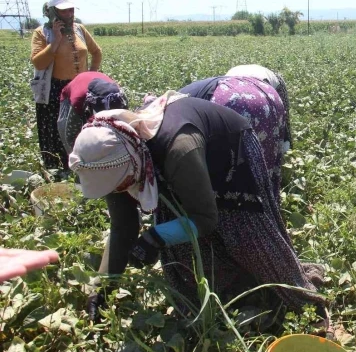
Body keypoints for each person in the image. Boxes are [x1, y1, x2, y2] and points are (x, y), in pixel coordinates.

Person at [69, 93, 326, 329]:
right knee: (178, 242)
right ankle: (228, 290)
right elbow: (123, 227)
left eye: (123, 184)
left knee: (248, 238)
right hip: (182, 160)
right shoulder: (118, 160)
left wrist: (155, 237)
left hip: (230, 153)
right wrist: (100, 289)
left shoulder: (177, 149)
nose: (121, 191)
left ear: (133, 163)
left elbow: (205, 219)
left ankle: (303, 302)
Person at [178, 68, 292, 205]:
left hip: (226, 98)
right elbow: (284, 117)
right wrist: (286, 144)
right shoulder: (275, 81)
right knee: (263, 160)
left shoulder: (223, 80)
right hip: (260, 99)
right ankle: (268, 204)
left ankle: (229, 206)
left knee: (230, 166)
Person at [31, 0, 102, 170]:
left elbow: (97, 52)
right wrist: (55, 41)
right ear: (53, 13)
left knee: (83, 125)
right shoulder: (41, 33)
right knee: (55, 130)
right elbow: (38, 62)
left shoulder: (80, 30)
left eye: (71, 10)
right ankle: (58, 167)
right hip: (55, 89)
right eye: (64, 10)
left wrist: (91, 74)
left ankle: (83, 162)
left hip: (80, 87)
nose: (69, 14)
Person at [57, 71, 129, 154]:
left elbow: (127, 127)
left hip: (94, 80)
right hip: (73, 92)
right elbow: (71, 136)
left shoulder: (119, 98)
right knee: (66, 131)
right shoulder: (78, 101)